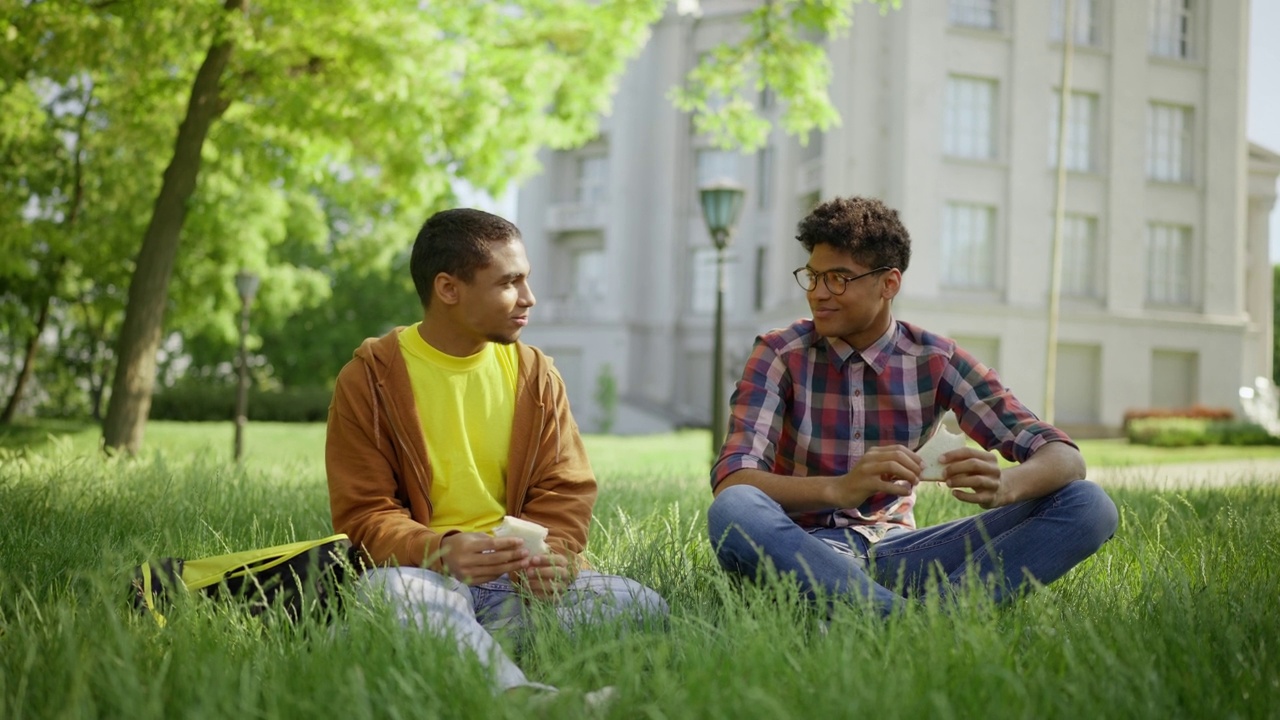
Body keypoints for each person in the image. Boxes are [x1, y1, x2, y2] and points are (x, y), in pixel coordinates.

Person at [707, 196, 1118, 617]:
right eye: (812, 276)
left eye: (838, 279)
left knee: (1089, 505)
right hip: (800, 550)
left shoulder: (934, 359)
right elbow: (734, 479)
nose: (818, 293)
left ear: (889, 284)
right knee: (735, 510)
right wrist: (840, 489)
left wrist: (1008, 485)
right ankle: (921, 623)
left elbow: (1064, 456)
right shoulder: (779, 353)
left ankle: (896, 616)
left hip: (905, 554)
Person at [326, 208, 667, 696]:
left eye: (526, 280)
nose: (529, 298)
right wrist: (442, 550)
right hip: (425, 578)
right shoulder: (370, 379)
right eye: (509, 283)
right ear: (448, 289)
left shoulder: (536, 375)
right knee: (394, 595)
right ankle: (523, 699)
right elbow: (364, 514)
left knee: (638, 604)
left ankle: (450, 649)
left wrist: (554, 561)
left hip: (520, 589)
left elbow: (565, 490)